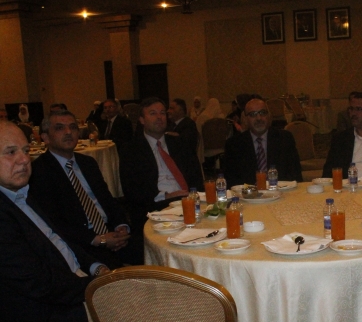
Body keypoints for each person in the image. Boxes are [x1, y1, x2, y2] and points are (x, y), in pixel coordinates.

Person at [0, 120, 110, 322]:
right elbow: (40, 284)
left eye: (26, 150)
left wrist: (95, 267)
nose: (24, 160)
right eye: (11, 152)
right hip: (48, 319)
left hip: (71, 286)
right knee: (148, 314)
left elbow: (62, 242)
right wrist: (99, 285)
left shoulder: (21, 194)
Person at [29, 110, 131, 268]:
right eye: (60, 128)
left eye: (72, 127)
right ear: (45, 137)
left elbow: (108, 200)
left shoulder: (88, 163)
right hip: (81, 244)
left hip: (112, 232)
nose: (68, 132)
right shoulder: (39, 171)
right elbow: (53, 222)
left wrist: (121, 226)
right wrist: (99, 239)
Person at [120, 97, 203, 263]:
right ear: (142, 120)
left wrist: (194, 195)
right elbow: (132, 190)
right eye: (153, 113)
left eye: (162, 113)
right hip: (156, 206)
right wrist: (165, 196)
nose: (159, 117)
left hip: (188, 201)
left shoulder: (179, 143)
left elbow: (196, 176)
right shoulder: (131, 150)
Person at [224, 97, 303, 187]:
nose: (259, 118)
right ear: (245, 119)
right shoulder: (234, 144)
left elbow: (296, 175)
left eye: (262, 113)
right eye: (253, 114)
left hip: (281, 191)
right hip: (249, 193)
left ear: (269, 116)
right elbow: (231, 181)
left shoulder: (284, 139)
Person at [195, 98, 225, 165]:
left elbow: (197, 132)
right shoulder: (222, 118)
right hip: (220, 147)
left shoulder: (203, 117)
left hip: (205, 147)